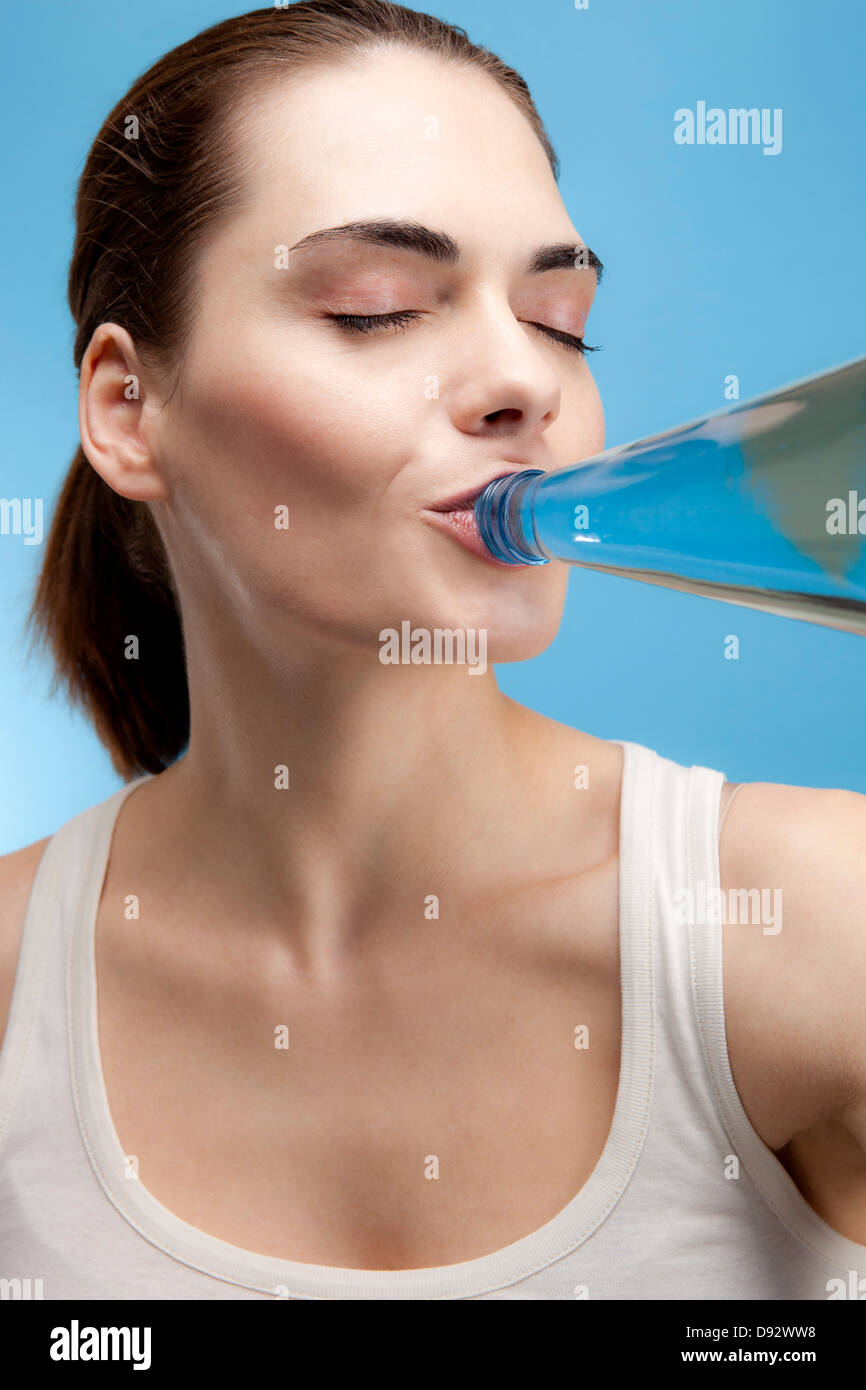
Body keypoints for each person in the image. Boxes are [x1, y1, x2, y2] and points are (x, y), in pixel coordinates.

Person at [1, 0, 864, 1301]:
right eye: (378, 308)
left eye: (561, 319)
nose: (526, 382)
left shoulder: (806, 921)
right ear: (130, 409)